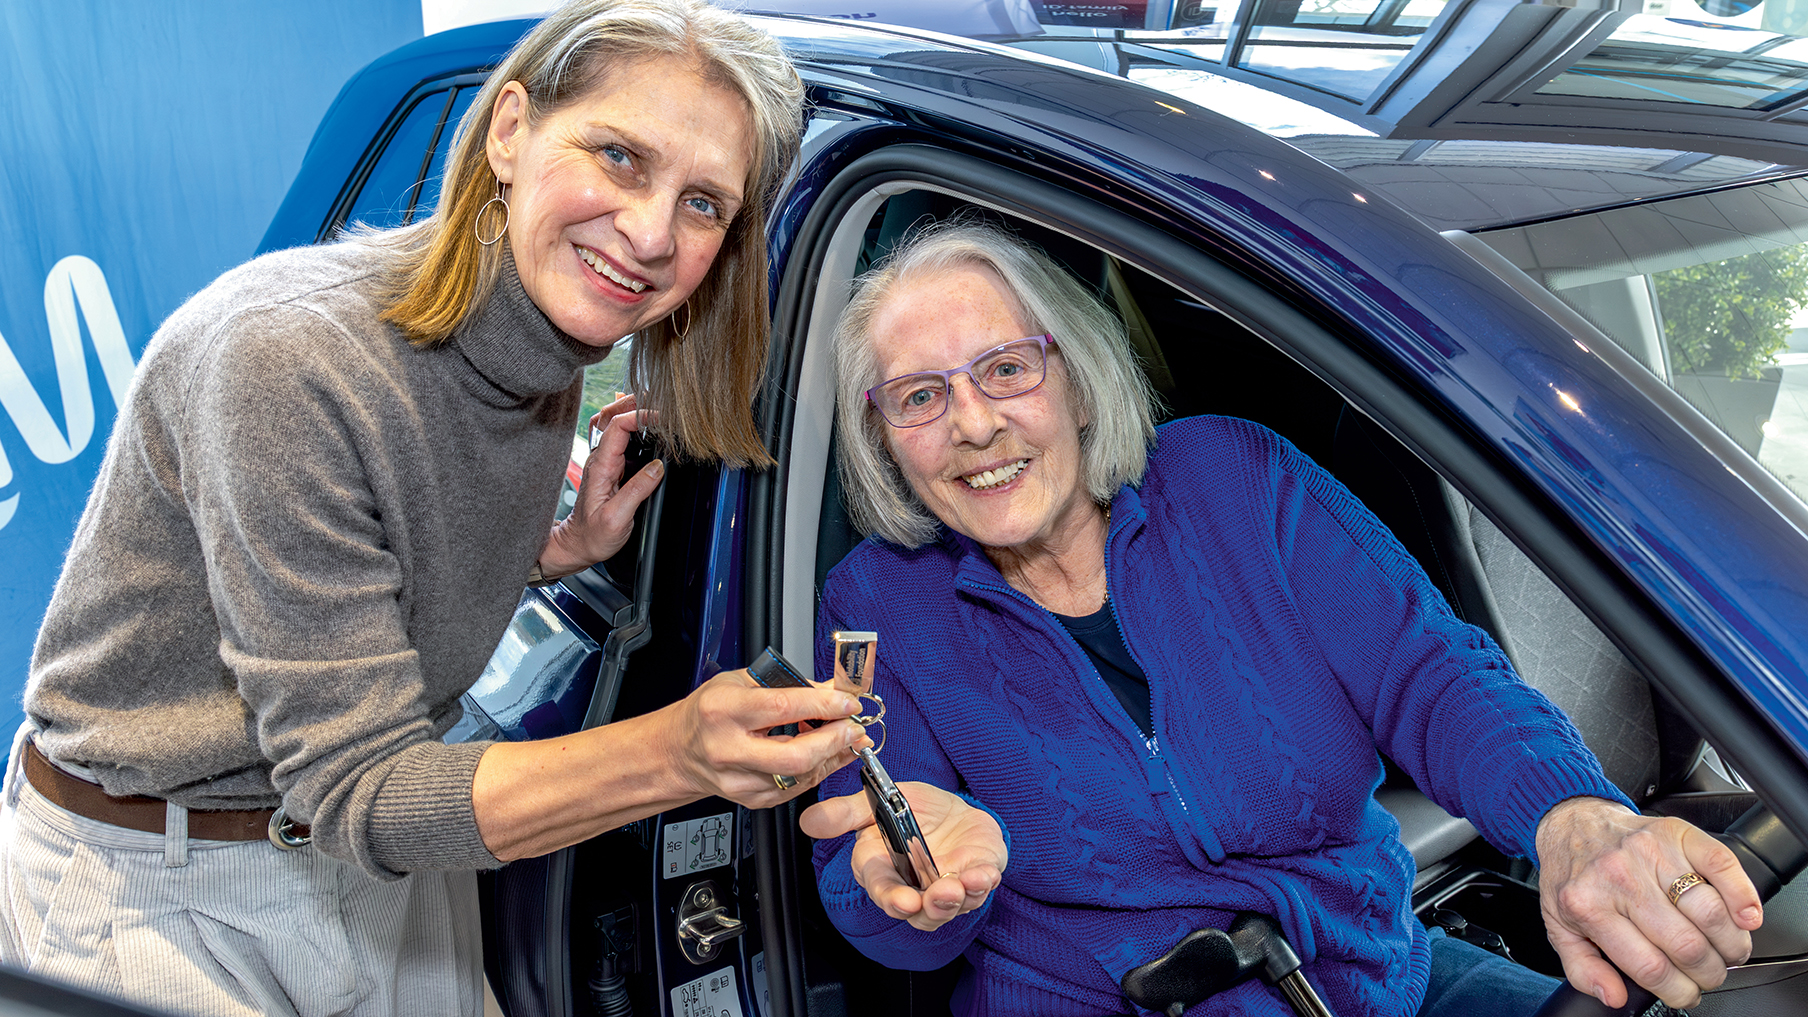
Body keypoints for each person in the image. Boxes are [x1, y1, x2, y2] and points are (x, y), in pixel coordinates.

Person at [2, 3, 872, 1014]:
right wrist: (679, 752)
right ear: (509, 131)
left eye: (701, 204)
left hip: (374, 862)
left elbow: (353, 568)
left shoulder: (541, 338)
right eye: (620, 159)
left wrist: (554, 551)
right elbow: (362, 793)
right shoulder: (287, 363)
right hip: (165, 885)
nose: (646, 235)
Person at [799, 222, 1764, 1017]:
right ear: (886, 440)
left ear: (1078, 380)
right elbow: (873, 894)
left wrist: (1571, 815)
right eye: (920, 396)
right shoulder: (877, 602)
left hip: (1371, 982)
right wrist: (911, 881)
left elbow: (1433, 679)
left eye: (1006, 369)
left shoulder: (1235, 476)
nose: (972, 423)